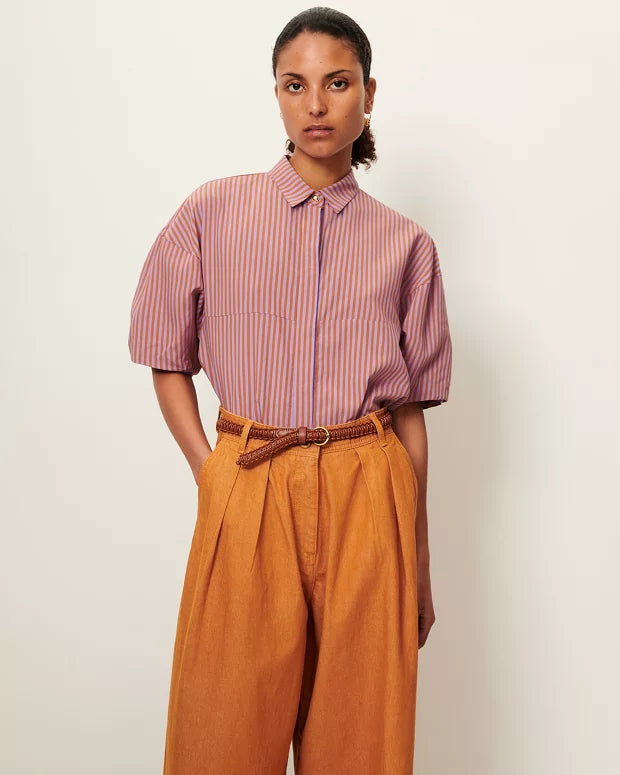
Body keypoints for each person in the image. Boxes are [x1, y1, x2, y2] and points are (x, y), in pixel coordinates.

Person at [128, 7, 452, 774]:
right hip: (250, 479)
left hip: (368, 488)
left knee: (361, 743)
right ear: (275, 93)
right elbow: (165, 356)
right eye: (294, 85)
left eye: (337, 83)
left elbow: (410, 413)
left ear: (368, 93)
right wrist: (211, 471)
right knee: (221, 735)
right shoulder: (211, 212)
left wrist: (418, 558)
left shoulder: (406, 244)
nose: (316, 105)